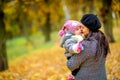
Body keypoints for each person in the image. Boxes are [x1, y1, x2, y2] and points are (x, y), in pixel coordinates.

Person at [63, 14, 110, 80]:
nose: (81, 30)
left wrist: (69, 54)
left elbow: (71, 65)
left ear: (90, 28)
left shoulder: (86, 45)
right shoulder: (102, 39)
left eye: (83, 27)